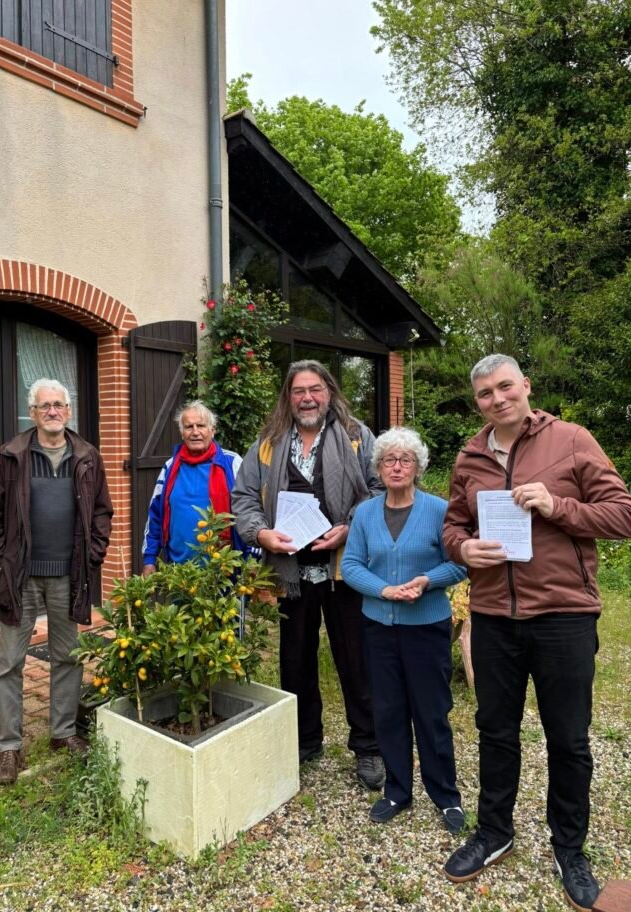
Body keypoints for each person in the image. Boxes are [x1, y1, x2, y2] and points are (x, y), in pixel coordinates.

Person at [442, 354, 631, 912]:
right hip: (496, 616)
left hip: (563, 616)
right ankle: (494, 830)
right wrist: (462, 548)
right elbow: (454, 525)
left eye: (505, 387)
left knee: (568, 739)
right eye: (484, 394)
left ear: (525, 387)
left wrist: (558, 506)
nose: (497, 399)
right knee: (495, 731)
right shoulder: (470, 456)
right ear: (476, 402)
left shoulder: (571, 440)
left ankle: (569, 847)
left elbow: (622, 514)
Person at [232, 359, 385, 791]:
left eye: (315, 389)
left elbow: (378, 490)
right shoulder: (268, 443)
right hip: (290, 571)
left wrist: (351, 528)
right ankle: (304, 740)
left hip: (344, 570)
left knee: (356, 660)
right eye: (298, 391)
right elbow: (243, 496)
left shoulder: (357, 437)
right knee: (295, 661)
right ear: (288, 397)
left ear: (329, 391)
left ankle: (368, 746)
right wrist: (261, 533)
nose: (307, 398)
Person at [0, 378, 113, 785]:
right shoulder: (10, 456)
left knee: (67, 656)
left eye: (59, 404)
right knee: (9, 662)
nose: (52, 411)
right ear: (32, 413)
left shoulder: (87, 456)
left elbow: (102, 511)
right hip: (20, 578)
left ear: (68, 411)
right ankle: (8, 747)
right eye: (44, 405)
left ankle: (63, 733)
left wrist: (93, 554)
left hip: (69, 576)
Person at [341, 427, 467, 831]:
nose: (396, 466)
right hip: (378, 627)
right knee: (389, 710)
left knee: (432, 712)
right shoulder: (364, 513)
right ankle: (397, 790)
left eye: (405, 460)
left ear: (417, 467)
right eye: (389, 460)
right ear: (378, 468)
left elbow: (461, 563)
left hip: (426, 627)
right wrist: (384, 590)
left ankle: (446, 795)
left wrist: (427, 581)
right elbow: (351, 566)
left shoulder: (439, 510)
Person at [142, 400, 245, 573]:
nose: (195, 432)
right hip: (179, 574)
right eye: (189, 427)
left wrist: (252, 559)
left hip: (224, 571)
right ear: (182, 434)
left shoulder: (232, 463)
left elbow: (249, 511)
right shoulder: (170, 467)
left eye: (201, 426)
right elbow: (155, 516)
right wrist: (150, 558)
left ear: (212, 430)